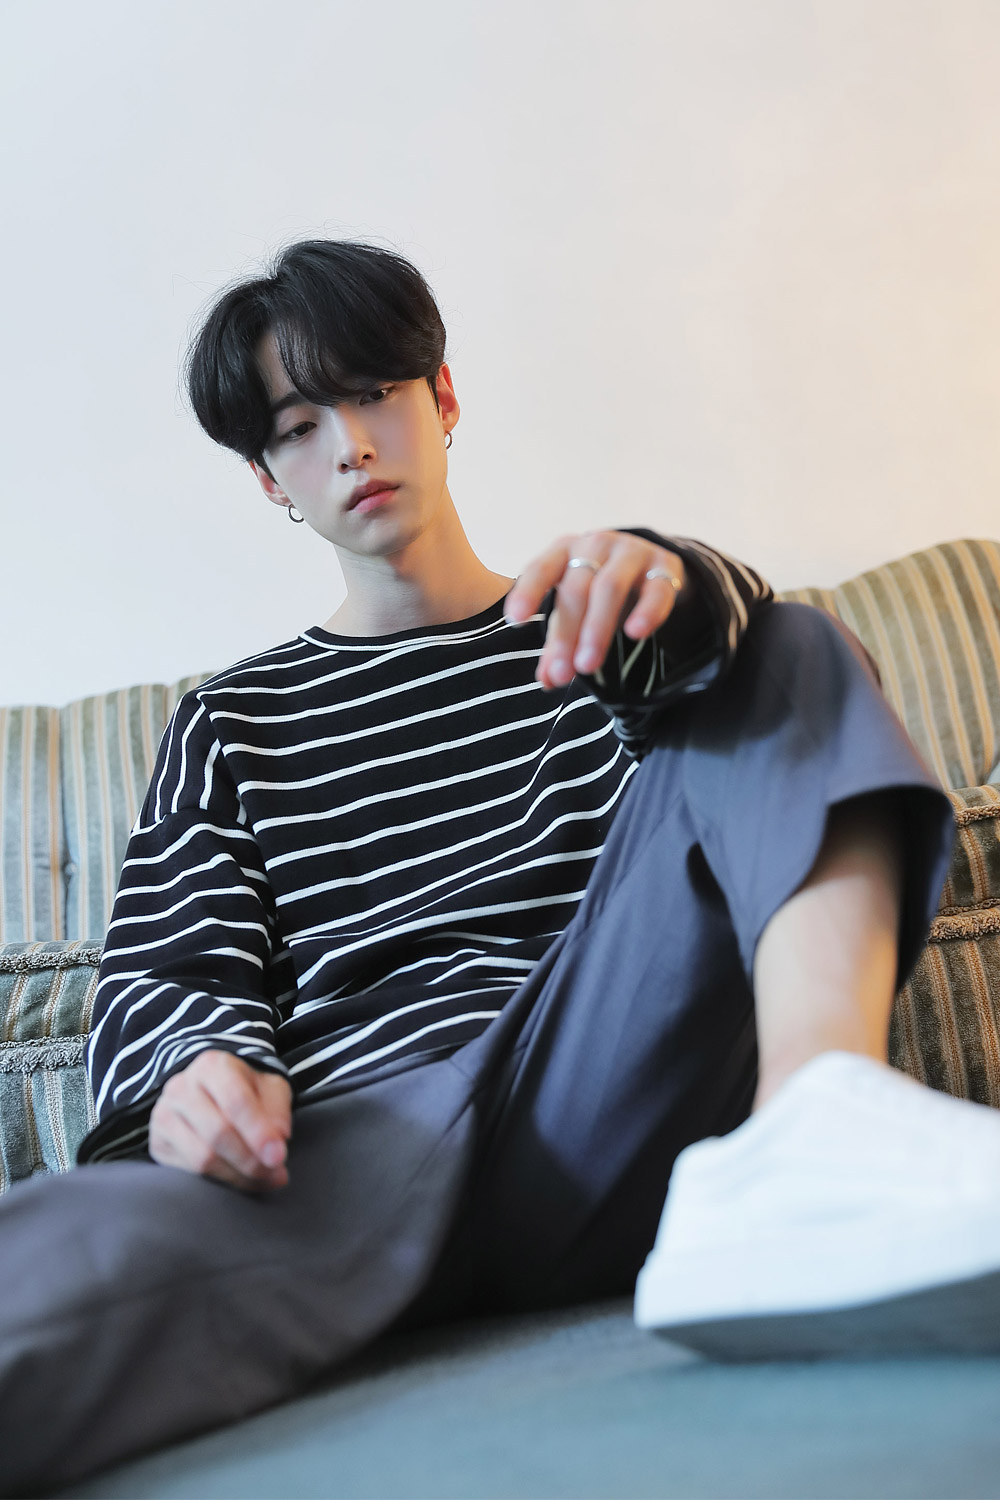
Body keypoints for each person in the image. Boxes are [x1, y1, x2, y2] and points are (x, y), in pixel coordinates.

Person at [2, 238, 998, 1493]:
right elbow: (170, 962)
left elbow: (746, 694)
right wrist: (196, 1073)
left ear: (443, 398)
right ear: (267, 480)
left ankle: (814, 1137)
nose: (349, 447)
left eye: (373, 394)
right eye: (300, 427)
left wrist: (674, 581)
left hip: (602, 1099)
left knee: (781, 647)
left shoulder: (586, 631)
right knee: (50, 1254)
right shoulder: (232, 723)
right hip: (337, 1157)